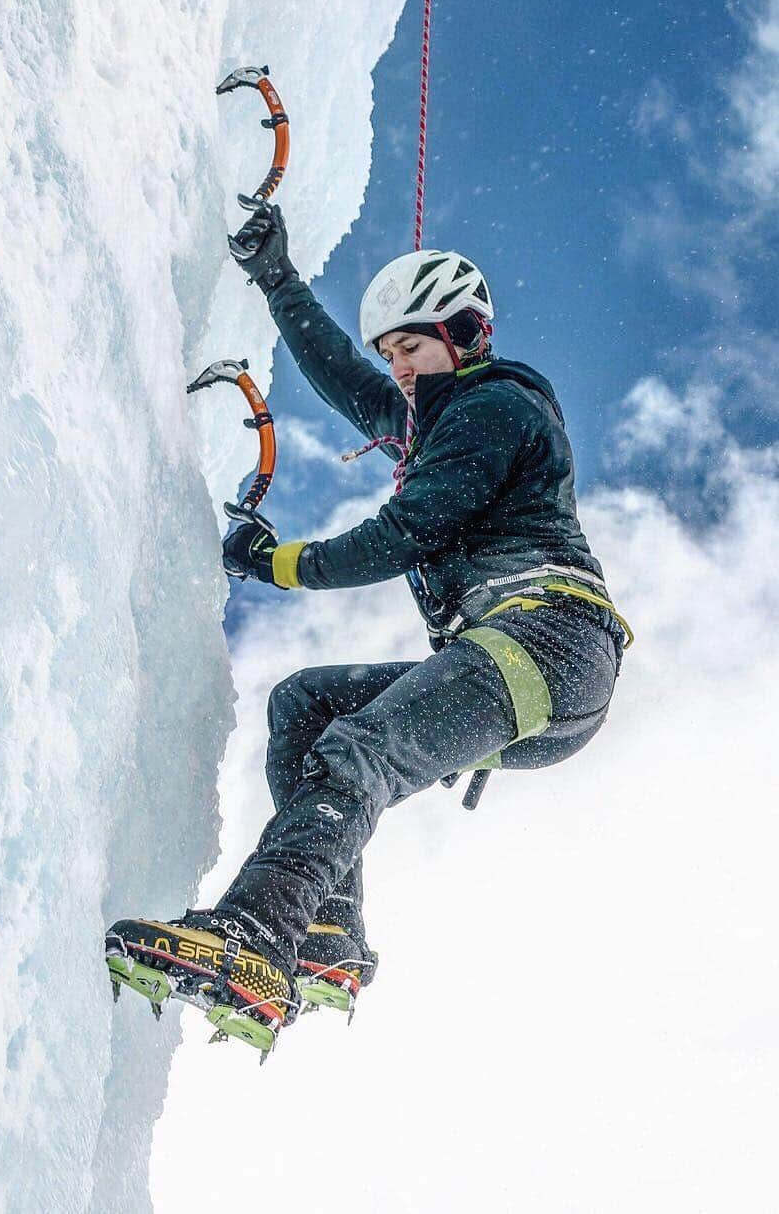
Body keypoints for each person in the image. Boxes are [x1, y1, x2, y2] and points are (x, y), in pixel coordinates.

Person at [105, 205, 630, 1059]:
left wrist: (280, 564)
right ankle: (326, 935)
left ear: (465, 335)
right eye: (393, 354)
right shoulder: (439, 415)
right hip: (528, 664)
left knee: (363, 751)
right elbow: (348, 382)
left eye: (412, 349)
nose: (400, 369)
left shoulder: (496, 408)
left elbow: (403, 533)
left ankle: (253, 933)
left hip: (549, 639)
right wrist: (278, 281)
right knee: (308, 708)